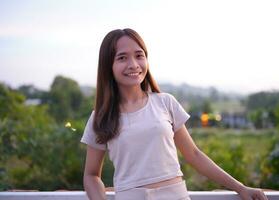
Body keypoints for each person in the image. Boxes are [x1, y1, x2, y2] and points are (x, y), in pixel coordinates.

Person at [80, 28, 267, 200]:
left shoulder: (165, 102)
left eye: (139, 55)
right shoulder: (100, 117)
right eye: (122, 58)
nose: (134, 64)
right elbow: (91, 175)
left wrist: (240, 188)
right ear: (108, 65)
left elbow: (193, 154)